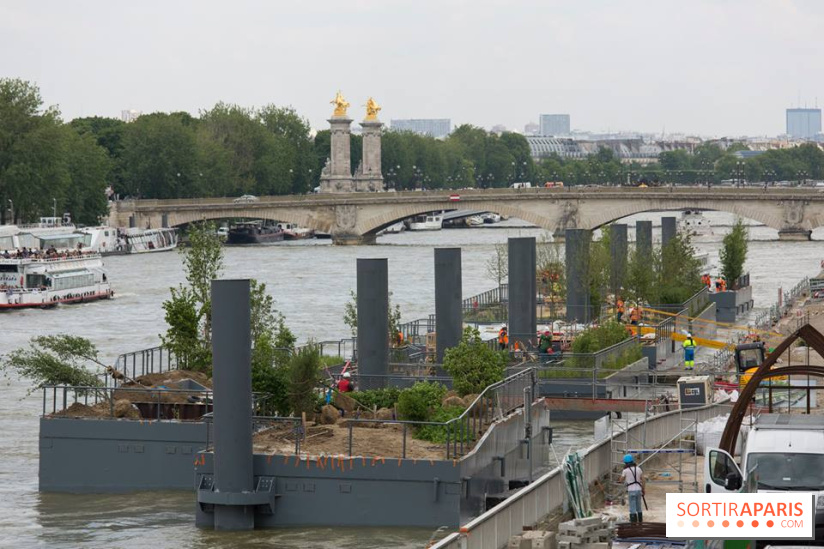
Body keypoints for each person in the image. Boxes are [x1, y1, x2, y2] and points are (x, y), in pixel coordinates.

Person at [621, 454, 645, 523]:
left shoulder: (625, 471)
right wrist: (643, 489)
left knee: (632, 508)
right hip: (638, 489)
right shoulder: (638, 469)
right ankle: (640, 522)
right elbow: (643, 480)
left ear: (625, 462)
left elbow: (621, 479)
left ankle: (633, 524)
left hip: (631, 490)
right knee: (639, 507)